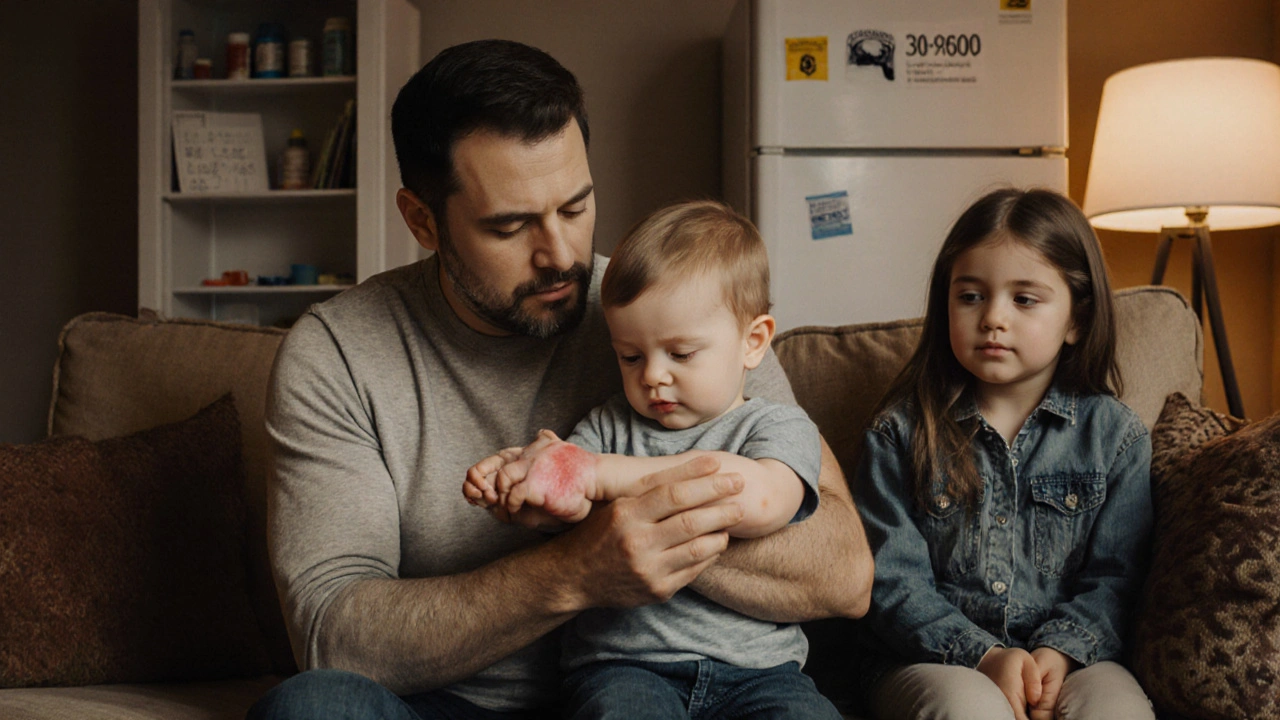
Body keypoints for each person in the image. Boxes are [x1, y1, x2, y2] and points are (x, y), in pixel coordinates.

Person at [249, 39, 872, 720]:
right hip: (455, 706)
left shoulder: (668, 316)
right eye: (511, 226)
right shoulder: (339, 354)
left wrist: (616, 509)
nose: (560, 255)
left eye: (575, 207)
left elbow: (843, 574)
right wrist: (573, 571)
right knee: (314, 707)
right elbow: (332, 633)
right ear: (423, 220)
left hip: (665, 694)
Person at [464, 200, 843, 718]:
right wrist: (527, 483)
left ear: (753, 342)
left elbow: (756, 499)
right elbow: (573, 510)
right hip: (624, 666)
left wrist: (597, 474)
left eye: (681, 354)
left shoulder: (776, 426)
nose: (653, 376)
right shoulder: (607, 427)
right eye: (631, 356)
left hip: (759, 674)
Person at [852, 188, 1155, 720]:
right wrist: (983, 655)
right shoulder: (899, 432)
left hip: (1075, 656)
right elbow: (890, 581)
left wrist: (1060, 650)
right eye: (970, 296)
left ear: (1076, 320)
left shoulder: (1116, 437)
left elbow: (1118, 577)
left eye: (1024, 299)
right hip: (933, 659)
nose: (993, 317)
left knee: (1116, 712)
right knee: (970, 711)